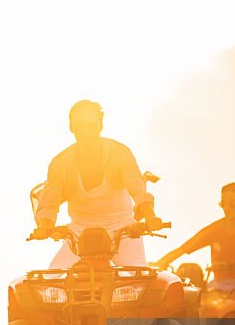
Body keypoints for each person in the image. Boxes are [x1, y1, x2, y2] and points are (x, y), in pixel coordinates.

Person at [31, 99, 163, 267]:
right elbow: (50, 201)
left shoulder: (119, 153)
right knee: (53, 279)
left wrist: (151, 217)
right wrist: (45, 226)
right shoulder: (60, 162)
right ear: (71, 127)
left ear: (100, 125)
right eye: (79, 126)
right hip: (79, 233)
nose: (85, 131)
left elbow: (138, 191)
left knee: (139, 280)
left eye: (91, 125)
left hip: (122, 230)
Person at [153, 182, 235, 303]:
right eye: (224, 203)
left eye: (232, 203)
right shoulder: (215, 229)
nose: (227, 207)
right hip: (219, 285)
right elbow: (182, 249)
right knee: (201, 302)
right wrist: (159, 264)